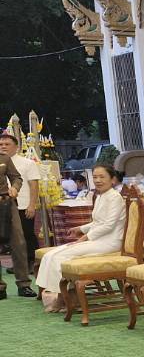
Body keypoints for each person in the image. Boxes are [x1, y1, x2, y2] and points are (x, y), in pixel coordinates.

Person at [36, 164, 126, 312]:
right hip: (98, 240)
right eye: (95, 177)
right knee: (51, 254)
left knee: (62, 255)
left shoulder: (115, 198)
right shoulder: (101, 196)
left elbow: (108, 226)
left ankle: (64, 298)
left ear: (113, 179)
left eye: (102, 177)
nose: (98, 180)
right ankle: (65, 294)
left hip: (110, 242)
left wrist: (84, 238)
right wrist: (80, 229)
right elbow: (97, 222)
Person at [0, 132, 40, 271]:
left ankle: (32, 262)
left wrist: (32, 205)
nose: (3, 146)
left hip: (23, 205)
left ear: (16, 147)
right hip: (3, 206)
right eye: (1, 144)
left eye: (7, 144)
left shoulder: (27, 163)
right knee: (11, 238)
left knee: (27, 235)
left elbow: (34, 185)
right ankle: (18, 264)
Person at [0, 152, 34, 299]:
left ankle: (24, 284)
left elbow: (17, 178)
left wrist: (15, 187)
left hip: (7, 203)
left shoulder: (4, 158)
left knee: (18, 242)